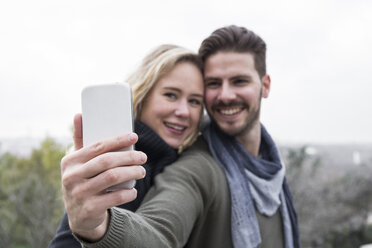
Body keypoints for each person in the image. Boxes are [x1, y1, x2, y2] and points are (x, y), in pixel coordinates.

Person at [65, 25, 300, 248]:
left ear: (265, 85)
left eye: (239, 81)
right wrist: (98, 227)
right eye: (214, 83)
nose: (226, 95)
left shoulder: (272, 168)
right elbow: (160, 232)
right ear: (143, 94)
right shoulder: (195, 169)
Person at [48, 44, 204, 247]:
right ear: (143, 95)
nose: (184, 111)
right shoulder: (122, 166)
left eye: (194, 101)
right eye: (171, 95)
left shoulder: (178, 162)